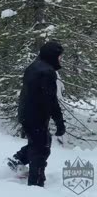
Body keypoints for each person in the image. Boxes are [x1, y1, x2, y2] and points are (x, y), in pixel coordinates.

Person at [8, 40, 66, 187]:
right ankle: (35, 185)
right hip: (36, 116)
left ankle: (17, 160)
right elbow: (50, 100)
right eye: (59, 56)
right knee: (41, 149)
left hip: (27, 113)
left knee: (38, 143)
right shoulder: (47, 72)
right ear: (52, 56)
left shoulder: (35, 66)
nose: (61, 59)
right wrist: (59, 122)